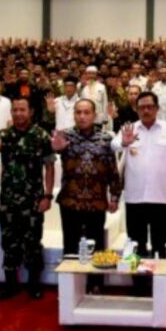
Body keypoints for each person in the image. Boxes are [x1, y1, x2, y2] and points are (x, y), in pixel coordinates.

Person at [112, 92, 166, 295]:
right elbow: (113, 145)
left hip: (161, 198)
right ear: (136, 109)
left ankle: (160, 286)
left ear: (157, 108)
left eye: (149, 107)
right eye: (141, 107)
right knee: (135, 244)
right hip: (135, 198)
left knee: (160, 244)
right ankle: (139, 287)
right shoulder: (129, 129)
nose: (146, 110)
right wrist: (125, 142)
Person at [0, 97, 55, 300]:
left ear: (31, 111)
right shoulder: (4, 134)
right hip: (8, 201)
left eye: (22, 110)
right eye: (15, 110)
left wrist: (48, 195)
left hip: (33, 201)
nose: (18, 113)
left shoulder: (41, 136)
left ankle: (34, 284)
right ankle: (11, 285)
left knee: (33, 244)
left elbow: (49, 167)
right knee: (9, 243)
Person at [52, 99, 122, 293]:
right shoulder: (65, 136)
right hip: (70, 201)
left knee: (96, 245)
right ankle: (69, 288)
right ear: (73, 114)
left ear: (94, 115)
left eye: (86, 112)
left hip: (96, 201)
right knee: (70, 245)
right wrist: (56, 148)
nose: (82, 116)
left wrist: (115, 196)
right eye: (78, 112)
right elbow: (53, 149)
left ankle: (95, 284)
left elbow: (112, 170)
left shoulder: (106, 138)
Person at [79, 66, 110, 131]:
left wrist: (105, 118)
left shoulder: (102, 87)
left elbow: (105, 102)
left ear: (96, 75)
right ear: (86, 74)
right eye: (89, 73)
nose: (91, 75)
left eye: (93, 73)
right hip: (85, 117)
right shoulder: (81, 86)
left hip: (98, 118)